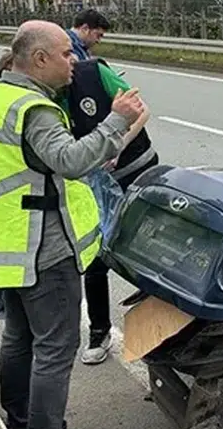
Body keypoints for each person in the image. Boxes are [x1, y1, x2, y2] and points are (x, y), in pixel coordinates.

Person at [0, 20, 145, 429]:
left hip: (5, 246)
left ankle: (18, 427)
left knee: (18, 338)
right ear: (39, 60)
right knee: (56, 349)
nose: (73, 61)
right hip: (44, 251)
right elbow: (72, 161)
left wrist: (4, 211)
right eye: (65, 54)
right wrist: (117, 120)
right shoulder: (35, 109)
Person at [62, 55, 157, 365]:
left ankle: (161, 328)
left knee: (148, 247)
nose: (70, 61)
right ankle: (99, 331)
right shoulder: (45, 98)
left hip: (136, 170)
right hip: (94, 184)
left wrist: (117, 145)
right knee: (96, 255)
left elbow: (142, 111)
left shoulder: (93, 73)